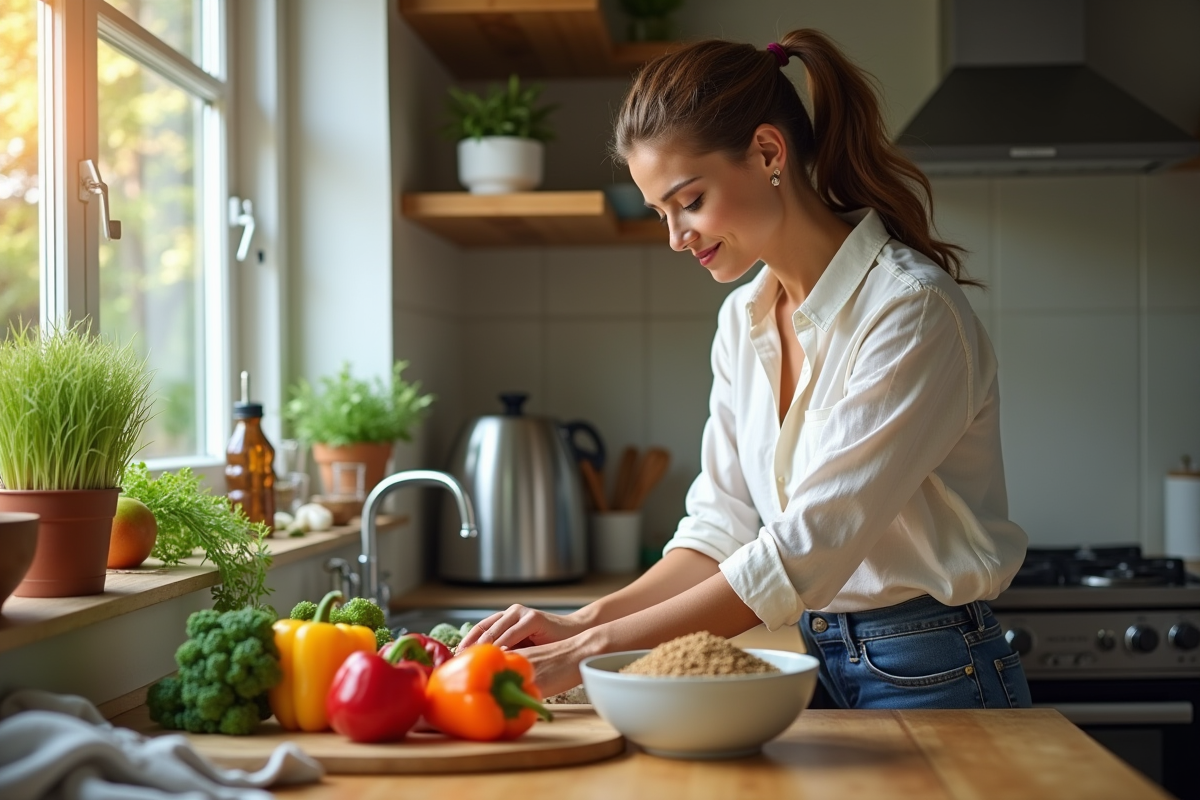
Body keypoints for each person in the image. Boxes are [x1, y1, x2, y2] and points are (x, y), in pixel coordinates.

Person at [460, 29, 1032, 710]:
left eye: (690, 201)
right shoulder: (743, 321)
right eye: (661, 213)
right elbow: (720, 530)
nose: (677, 238)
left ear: (767, 152)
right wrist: (584, 620)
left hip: (933, 669)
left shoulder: (910, 311)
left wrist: (588, 651)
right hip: (808, 660)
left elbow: (805, 549)